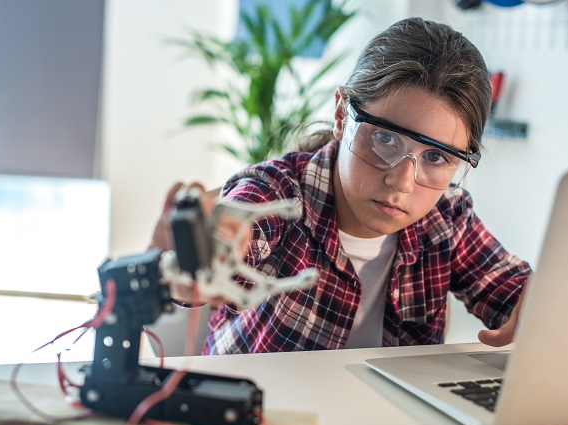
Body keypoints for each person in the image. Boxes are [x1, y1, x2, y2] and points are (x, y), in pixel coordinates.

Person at [150, 17, 532, 355]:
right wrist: (193, 261)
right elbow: (228, 239)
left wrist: (543, 304)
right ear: (340, 114)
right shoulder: (275, 195)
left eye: (435, 158)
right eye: (384, 139)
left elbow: (520, 296)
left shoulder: (448, 218)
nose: (401, 181)